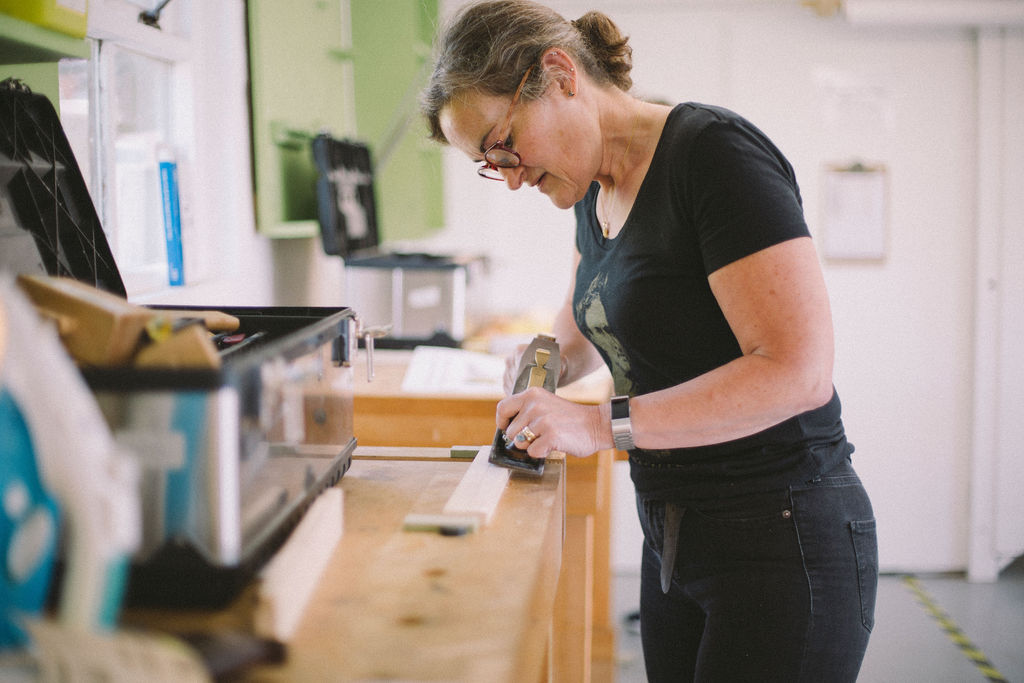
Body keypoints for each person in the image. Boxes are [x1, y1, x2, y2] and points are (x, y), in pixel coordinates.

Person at [421, 1, 877, 680]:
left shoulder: (712, 155)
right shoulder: (589, 189)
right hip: (677, 534)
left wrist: (598, 426)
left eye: (503, 141)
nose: (510, 175)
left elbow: (796, 371)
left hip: (782, 534)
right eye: (490, 164)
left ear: (560, 74)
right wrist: (540, 364)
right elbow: (586, 321)